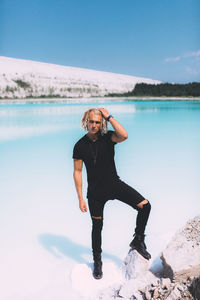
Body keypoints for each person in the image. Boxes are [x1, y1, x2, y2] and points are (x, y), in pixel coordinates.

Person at [73, 108, 151, 280]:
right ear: (86, 121)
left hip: (114, 185)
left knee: (145, 206)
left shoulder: (108, 137)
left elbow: (124, 135)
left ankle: (138, 239)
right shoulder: (79, 146)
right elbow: (77, 172)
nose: (94, 125)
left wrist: (109, 116)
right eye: (91, 121)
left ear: (102, 123)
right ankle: (97, 261)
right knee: (97, 227)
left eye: (97, 122)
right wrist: (80, 198)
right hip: (95, 193)